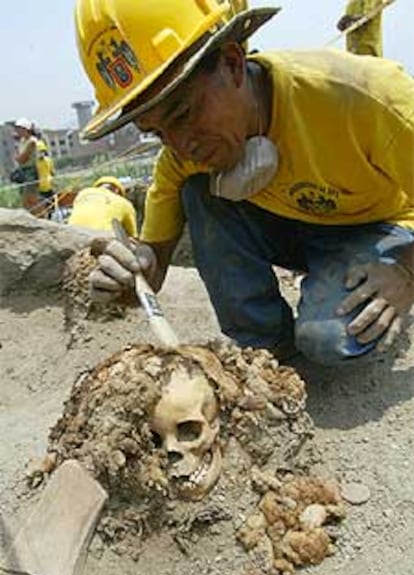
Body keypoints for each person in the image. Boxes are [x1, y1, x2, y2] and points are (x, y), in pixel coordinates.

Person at [74, 0, 414, 366]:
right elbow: (152, 266)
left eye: (185, 113)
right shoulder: (180, 159)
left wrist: (405, 271)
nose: (180, 144)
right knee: (199, 192)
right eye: (157, 133)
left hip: (377, 227)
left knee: (326, 339)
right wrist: (132, 279)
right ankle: (266, 352)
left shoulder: (364, 96)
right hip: (300, 232)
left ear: (233, 64)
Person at [68, 176, 138, 237]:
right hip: (101, 237)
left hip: (72, 233)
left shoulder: (83, 193)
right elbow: (132, 235)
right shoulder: (124, 203)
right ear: (117, 191)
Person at [11, 118, 55, 212]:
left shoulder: (32, 142)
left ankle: (41, 217)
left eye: (19, 129)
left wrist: (18, 157)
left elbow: (22, 158)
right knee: (25, 200)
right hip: (24, 172)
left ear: (26, 129)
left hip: (30, 172)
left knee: (31, 199)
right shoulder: (22, 141)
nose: (17, 131)